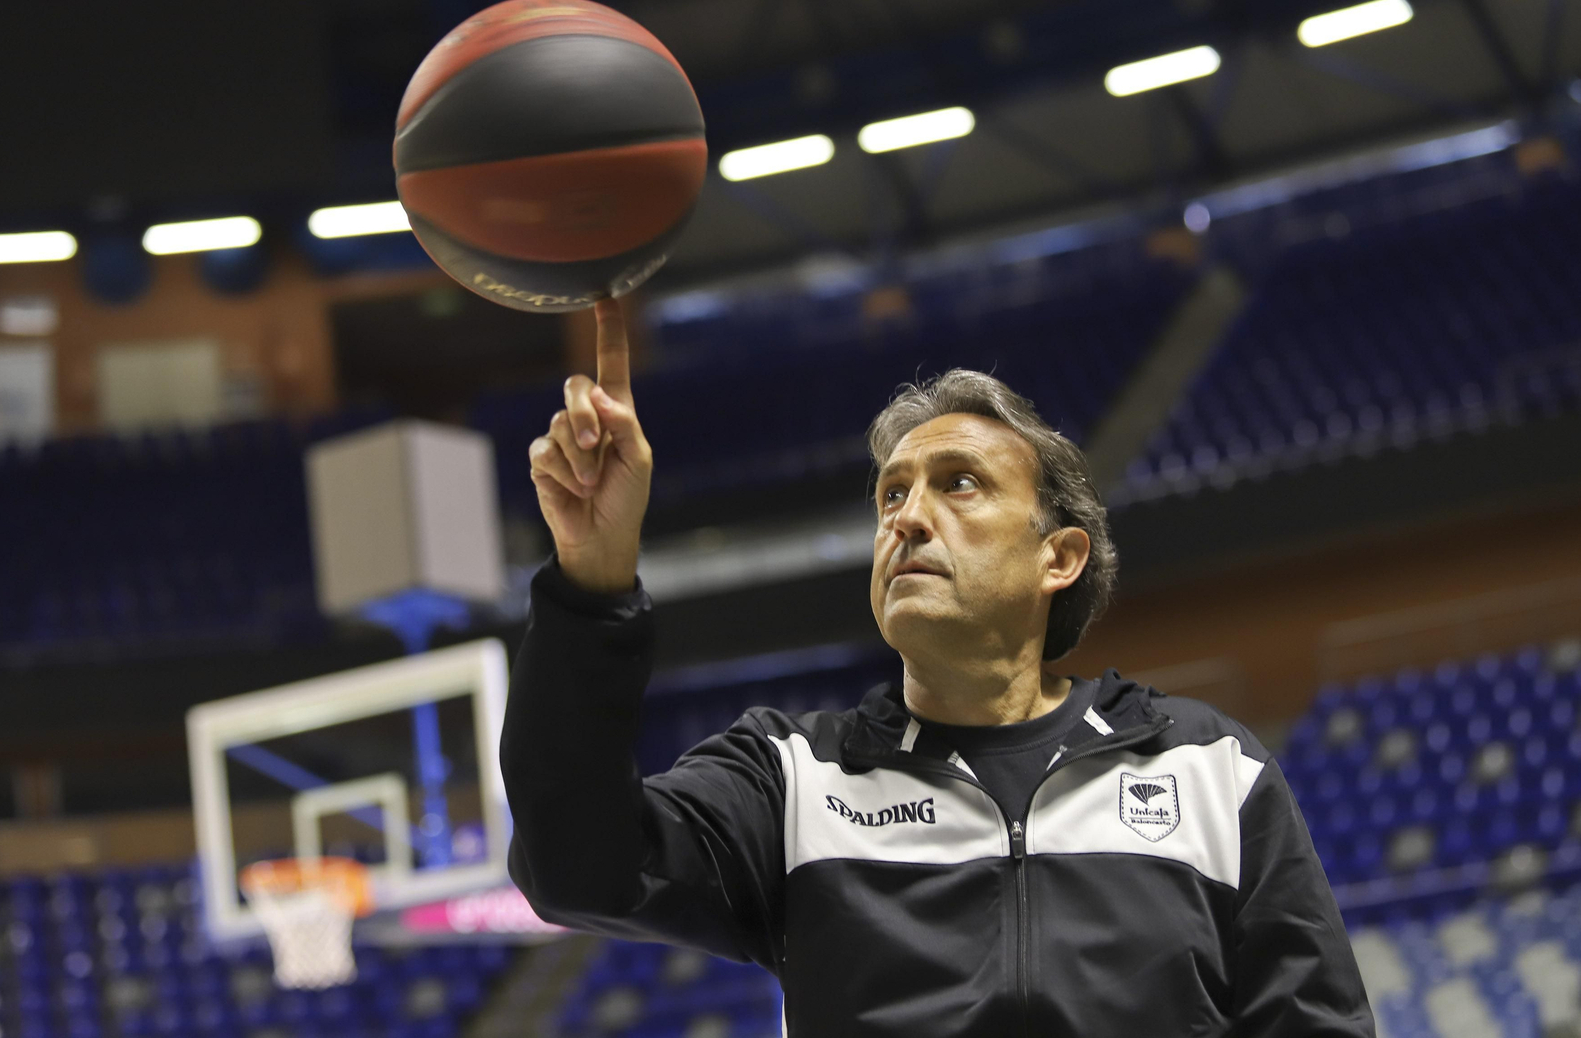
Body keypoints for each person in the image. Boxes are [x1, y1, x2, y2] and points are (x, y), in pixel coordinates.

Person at [503, 299, 1375, 1037]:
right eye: (892, 493)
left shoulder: (1211, 772)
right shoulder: (794, 780)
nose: (907, 518)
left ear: (1058, 557)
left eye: (959, 484)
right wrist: (592, 579)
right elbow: (575, 867)